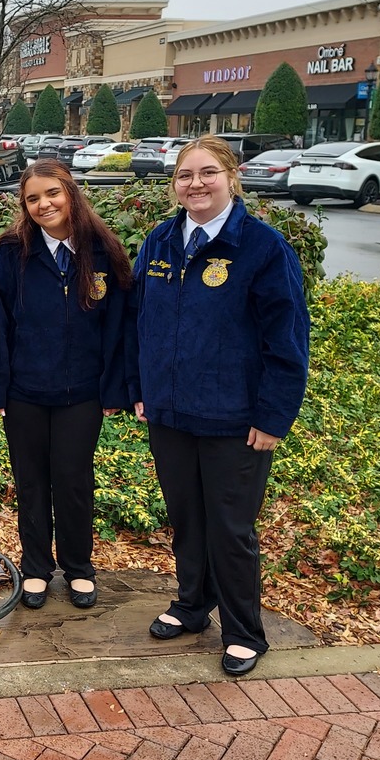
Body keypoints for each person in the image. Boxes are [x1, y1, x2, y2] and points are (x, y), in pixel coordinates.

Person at [128, 135, 310, 676]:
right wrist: (141, 388)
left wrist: (273, 416)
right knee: (187, 518)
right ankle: (191, 606)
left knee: (230, 527)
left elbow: (287, 340)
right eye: (186, 175)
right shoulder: (160, 242)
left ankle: (243, 631)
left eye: (208, 173)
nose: (196, 184)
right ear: (174, 184)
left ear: (231, 178)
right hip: (170, 413)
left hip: (235, 419)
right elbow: (142, 325)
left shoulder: (262, 247)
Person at [0, 159, 132, 611]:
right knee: (32, 483)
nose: (44, 205)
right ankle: (37, 568)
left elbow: (118, 326)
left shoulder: (102, 250)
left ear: (71, 193)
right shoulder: (12, 252)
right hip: (25, 394)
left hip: (82, 394)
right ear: (24, 205)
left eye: (52, 194)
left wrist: (114, 388)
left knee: (74, 481)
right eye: (33, 199)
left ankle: (79, 568)